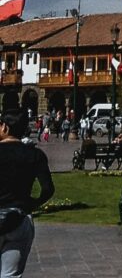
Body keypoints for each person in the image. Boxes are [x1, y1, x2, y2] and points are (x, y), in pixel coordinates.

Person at [0, 109, 54, 278]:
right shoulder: (34, 154)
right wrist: (31, 203)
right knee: (11, 275)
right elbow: (47, 189)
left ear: (5, 128)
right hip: (19, 218)